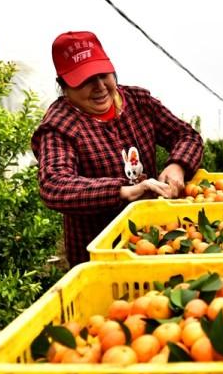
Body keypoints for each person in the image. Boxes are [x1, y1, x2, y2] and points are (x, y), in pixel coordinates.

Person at [31, 31, 204, 266]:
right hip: (102, 253)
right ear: (64, 86)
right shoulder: (60, 125)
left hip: (157, 239)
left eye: (103, 75)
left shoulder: (137, 102)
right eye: (84, 81)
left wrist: (177, 166)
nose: (100, 87)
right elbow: (54, 185)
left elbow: (186, 135)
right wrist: (123, 191)